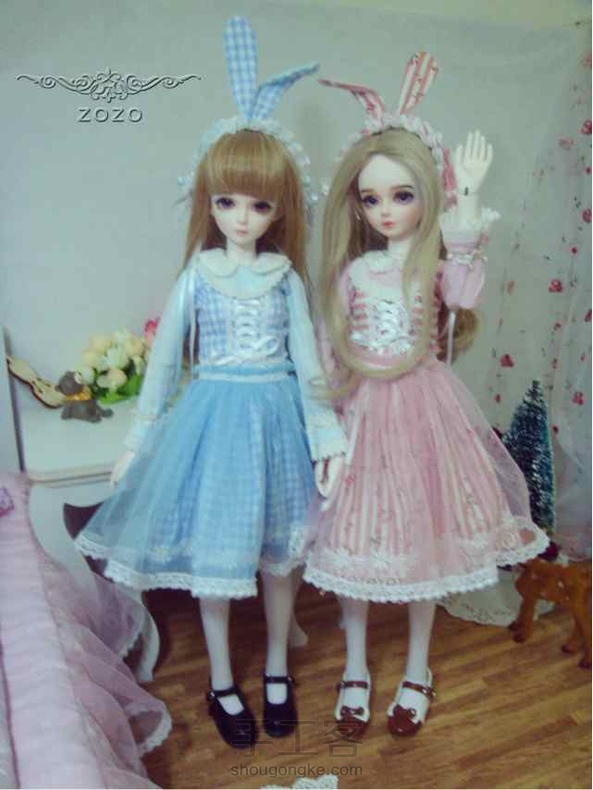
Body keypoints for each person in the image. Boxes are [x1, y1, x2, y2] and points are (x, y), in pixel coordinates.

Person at [76, 17, 346, 750]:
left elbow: (307, 364)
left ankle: (277, 668)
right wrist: (138, 439)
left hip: (278, 423)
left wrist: (326, 435)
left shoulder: (284, 276)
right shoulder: (198, 274)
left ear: (281, 208)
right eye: (227, 201)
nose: (242, 218)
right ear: (207, 200)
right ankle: (222, 679)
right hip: (214, 423)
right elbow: (166, 364)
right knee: (216, 564)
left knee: (281, 558)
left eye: (258, 204)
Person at [303, 53, 549, 738]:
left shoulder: (433, 266)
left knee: (426, 543)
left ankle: (417, 667)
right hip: (362, 415)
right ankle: (355, 665)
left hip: (423, 411)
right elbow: (329, 352)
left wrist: (466, 198)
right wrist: (325, 431)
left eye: (402, 195)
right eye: (371, 198)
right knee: (354, 544)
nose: (385, 210)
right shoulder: (354, 272)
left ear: (427, 197)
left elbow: (464, 292)